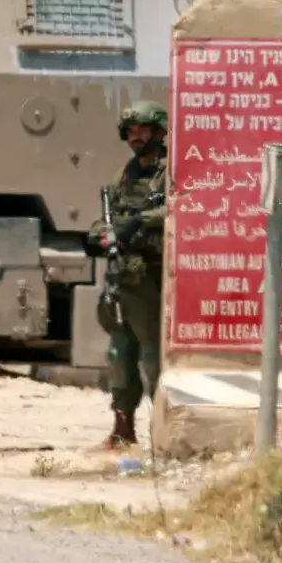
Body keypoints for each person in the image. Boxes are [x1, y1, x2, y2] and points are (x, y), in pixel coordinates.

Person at [95, 101, 169, 448]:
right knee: (118, 357)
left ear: (159, 131)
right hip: (123, 277)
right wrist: (99, 233)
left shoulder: (169, 171)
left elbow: (178, 205)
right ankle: (122, 430)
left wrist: (141, 221)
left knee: (153, 359)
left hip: (154, 277)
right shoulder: (124, 174)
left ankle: (164, 432)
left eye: (143, 130)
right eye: (132, 131)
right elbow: (109, 216)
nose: (137, 137)